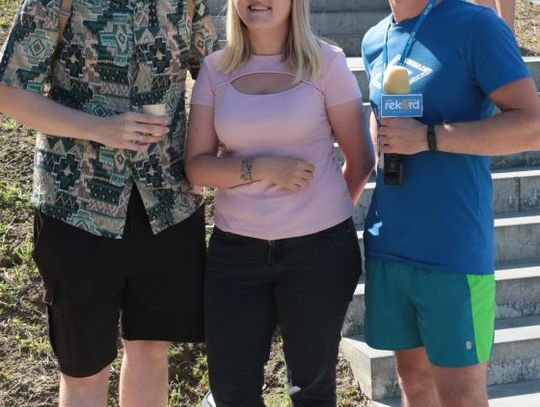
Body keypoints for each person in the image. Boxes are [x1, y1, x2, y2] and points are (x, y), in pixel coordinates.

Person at [0, 0, 216, 405]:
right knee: (84, 370)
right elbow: (9, 91)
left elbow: (216, 75)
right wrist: (99, 129)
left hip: (168, 205)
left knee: (151, 351)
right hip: (77, 207)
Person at [185, 0, 375, 405]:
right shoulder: (215, 69)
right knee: (231, 393)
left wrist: (321, 216)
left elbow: (361, 160)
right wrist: (261, 169)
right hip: (235, 255)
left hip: (319, 255)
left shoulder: (327, 63)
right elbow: (197, 168)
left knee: (311, 390)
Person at [362, 0, 540, 406]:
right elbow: (380, 114)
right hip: (390, 242)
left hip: (452, 249)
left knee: (461, 398)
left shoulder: (476, 25)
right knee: (413, 381)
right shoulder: (376, 38)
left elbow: (533, 126)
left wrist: (429, 138)